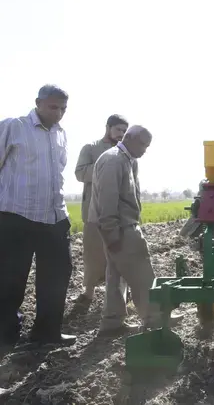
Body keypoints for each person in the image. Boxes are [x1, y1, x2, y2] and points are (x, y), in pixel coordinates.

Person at [0, 84, 76, 346]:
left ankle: (47, 333)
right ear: (38, 103)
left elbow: (59, 174)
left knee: (57, 277)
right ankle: (6, 337)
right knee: (10, 279)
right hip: (16, 217)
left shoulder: (61, 134)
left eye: (63, 109)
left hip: (54, 218)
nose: (58, 113)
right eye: (54, 107)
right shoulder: (13, 127)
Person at [88, 125, 182, 335]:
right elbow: (107, 199)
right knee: (142, 271)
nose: (144, 150)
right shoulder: (113, 160)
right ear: (129, 138)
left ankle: (112, 323)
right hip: (121, 227)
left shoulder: (127, 160)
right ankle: (155, 317)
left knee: (116, 275)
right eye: (142, 145)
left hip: (120, 226)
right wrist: (112, 233)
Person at [73, 114, 130, 305]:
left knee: (121, 255)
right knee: (93, 255)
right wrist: (103, 170)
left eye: (124, 131)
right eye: (118, 130)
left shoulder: (126, 152)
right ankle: (88, 293)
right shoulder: (91, 148)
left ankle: (120, 297)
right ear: (108, 127)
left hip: (120, 213)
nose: (121, 134)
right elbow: (80, 173)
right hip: (94, 212)